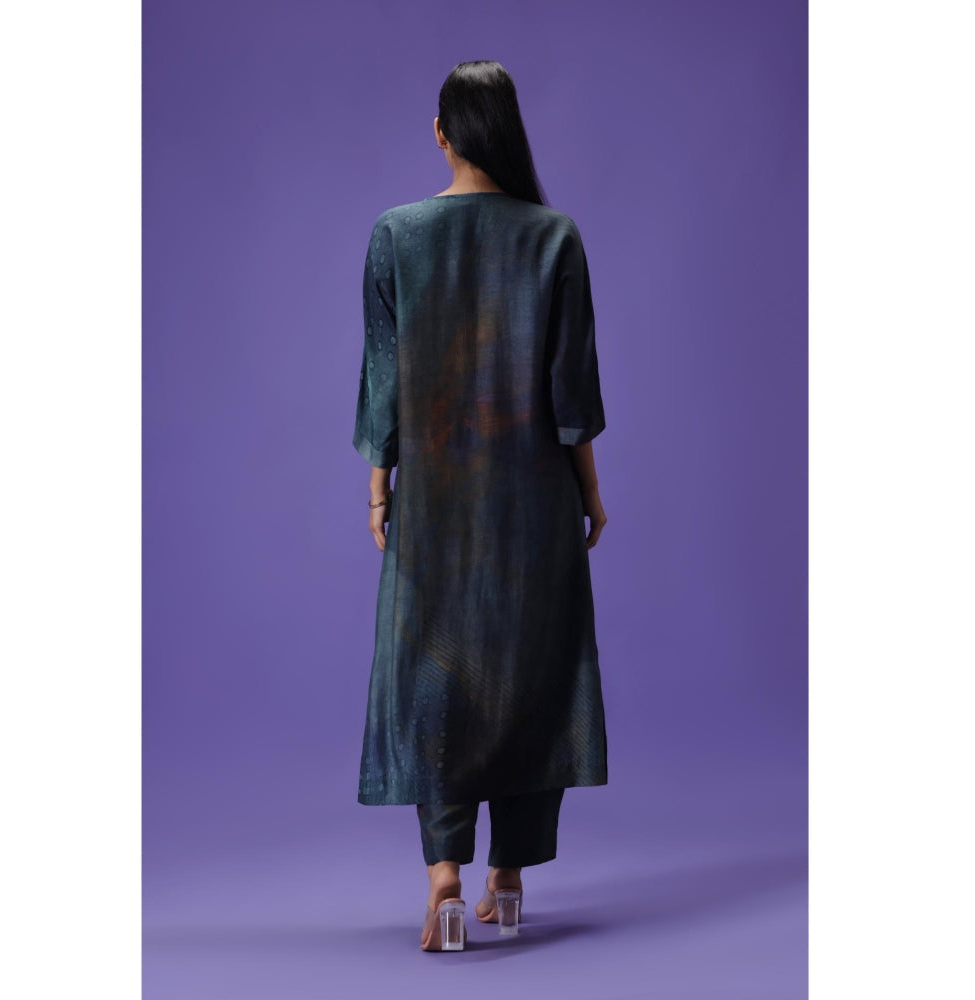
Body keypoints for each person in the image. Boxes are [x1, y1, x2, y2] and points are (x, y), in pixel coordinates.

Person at [352, 60, 609, 952]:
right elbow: (572, 398)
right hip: (532, 509)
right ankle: (510, 879)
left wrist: (381, 488)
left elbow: (383, 384)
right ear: (508, 130)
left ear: (441, 133)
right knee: (534, 677)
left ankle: (446, 882)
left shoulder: (396, 235)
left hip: (436, 509)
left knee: (437, 681)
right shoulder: (555, 237)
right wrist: (591, 492)